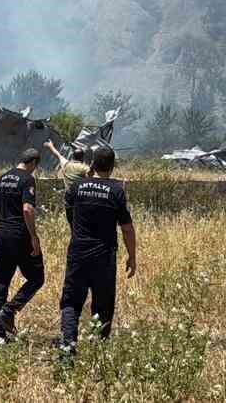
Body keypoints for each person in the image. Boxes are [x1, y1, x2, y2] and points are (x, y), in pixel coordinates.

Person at [58, 146, 137, 356]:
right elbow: (127, 228)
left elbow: (70, 213)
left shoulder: (77, 187)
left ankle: (67, 350)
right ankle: (98, 352)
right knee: (103, 305)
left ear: (92, 163)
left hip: (78, 253)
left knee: (71, 303)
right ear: (112, 166)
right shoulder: (117, 191)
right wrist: (132, 256)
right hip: (104, 257)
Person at [0, 147, 44, 341]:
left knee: (0, 286)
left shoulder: (3, 178)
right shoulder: (28, 179)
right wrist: (34, 237)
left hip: (1, 235)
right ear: (34, 163)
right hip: (19, 236)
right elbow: (27, 209)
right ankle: (9, 311)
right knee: (37, 278)